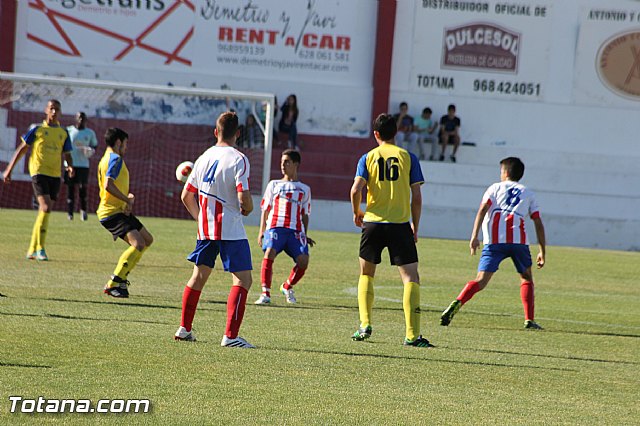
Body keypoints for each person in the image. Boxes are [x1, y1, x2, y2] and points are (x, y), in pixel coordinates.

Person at [349, 113, 433, 347]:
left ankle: (365, 325)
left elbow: (356, 189)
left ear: (376, 134)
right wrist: (415, 224)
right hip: (399, 224)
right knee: (410, 278)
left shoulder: (367, 157)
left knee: (366, 274)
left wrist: (357, 212)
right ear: (396, 132)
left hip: (373, 223)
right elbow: (416, 196)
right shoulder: (409, 157)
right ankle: (412, 335)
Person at [174, 112, 255, 348]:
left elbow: (186, 195)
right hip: (230, 229)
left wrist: (201, 220)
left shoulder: (203, 157)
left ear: (215, 131)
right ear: (238, 133)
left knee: (198, 277)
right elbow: (244, 198)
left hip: (206, 230)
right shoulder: (239, 159)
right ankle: (230, 336)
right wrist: (248, 207)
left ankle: (184, 329)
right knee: (243, 280)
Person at [440, 157, 546, 329]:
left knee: (481, 280)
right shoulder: (528, 192)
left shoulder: (494, 188)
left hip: (494, 241)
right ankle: (529, 320)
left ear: (505, 172)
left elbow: (482, 210)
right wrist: (542, 250)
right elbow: (538, 222)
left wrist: (474, 236)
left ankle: (458, 302)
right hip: (518, 242)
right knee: (526, 277)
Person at [2, 99, 74, 261]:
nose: (54, 112)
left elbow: (67, 153)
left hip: (55, 175)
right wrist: (9, 169)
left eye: (57, 109)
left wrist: (70, 166)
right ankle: (40, 249)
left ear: (60, 112)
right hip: (38, 172)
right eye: (51, 109)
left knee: (44, 211)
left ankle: (31, 249)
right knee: (46, 207)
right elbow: (22, 149)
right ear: (46, 110)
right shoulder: (37, 129)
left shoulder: (63, 133)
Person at [97, 128, 153, 298]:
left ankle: (121, 280)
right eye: (126, 143)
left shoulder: (105, 159)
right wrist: (126, 199)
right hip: (111, 212)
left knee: (147, 239)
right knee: (138, 244)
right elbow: (108, 185)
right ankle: (114, 282)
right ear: (119, 142)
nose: (126, 148)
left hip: (118, 210)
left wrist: (126, 198)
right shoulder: (115, 158)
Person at [254, 149, 315, 305]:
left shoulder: (305, 189)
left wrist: (304, 234)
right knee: (269, 253)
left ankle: (287, 286)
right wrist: (262, 231)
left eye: (286, 162)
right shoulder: (274, 184)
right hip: (275, 227)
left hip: (295, 231)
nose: (283, 165)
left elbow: (305, 214)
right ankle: (265, 294)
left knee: (304, 261)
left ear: (296, 164)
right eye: (281, 162)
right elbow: (265, 209)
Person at [65, 111, 98, 221]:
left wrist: (90, 151)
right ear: (75, 119)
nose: (81, 120)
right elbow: (63, 144)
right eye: (79, 118)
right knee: (70, 188)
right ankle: (70, 213)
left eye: (83, 118)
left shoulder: (90, 133)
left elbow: (94, 146)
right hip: (70, 164)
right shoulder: (69, 130)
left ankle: (83, 212)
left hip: (83, 165)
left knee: (82, 188)